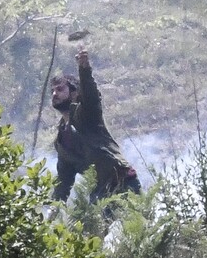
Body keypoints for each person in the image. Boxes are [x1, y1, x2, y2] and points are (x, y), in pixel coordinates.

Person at [51, 48, 141, 204]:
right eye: (52, 91)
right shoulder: (61, 140)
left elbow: (91, 96)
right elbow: (64, 179)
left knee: (138, 224)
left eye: (60, 89)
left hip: (123, 181)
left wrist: (84, 69)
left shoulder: (86, 114)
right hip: (100, 192)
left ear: (74, 93)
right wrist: (54, 207)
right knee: (93, 227)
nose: (54, 94)